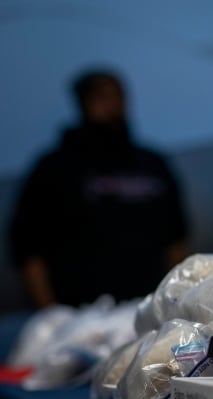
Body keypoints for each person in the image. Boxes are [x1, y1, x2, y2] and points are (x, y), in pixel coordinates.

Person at [8, 69, 188, 308]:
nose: (112, 105)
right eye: (101, 97)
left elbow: (176, 237)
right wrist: (49, 313)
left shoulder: (153, 164)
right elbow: (28, 248)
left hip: (149, 307)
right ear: (82, 103)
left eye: (118, 96)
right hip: (79, 313)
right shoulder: (54, 168)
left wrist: (177, 298)